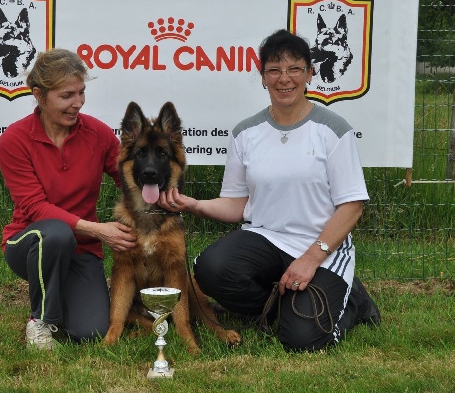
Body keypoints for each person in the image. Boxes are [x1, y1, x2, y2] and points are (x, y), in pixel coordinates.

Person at [158, 29, 380, 352]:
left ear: (309, 74)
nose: (284, 79)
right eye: (274, 70)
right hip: (266, 239)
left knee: (302, 340)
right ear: (262, 77)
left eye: (294, 69)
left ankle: (353, 302)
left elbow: (352, 207)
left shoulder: (333, 131)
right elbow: (236, 205)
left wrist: (310, 259)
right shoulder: (245, 133)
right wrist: (193, 204)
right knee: (210, 267)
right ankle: (286, 306)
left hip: (322, 248)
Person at [0, 48, 137, 350]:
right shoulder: (14, 140)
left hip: (82, 249)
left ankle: (58, 297)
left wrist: (161, 195)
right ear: (39, 95)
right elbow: (34, 208)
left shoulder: (97, 134)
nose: (78, 104)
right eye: (67, 96)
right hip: (29, 241)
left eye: (81, 93)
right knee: (55, 234)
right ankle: (40, 321)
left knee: (91, 332)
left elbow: (128, 180)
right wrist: (100, 230)